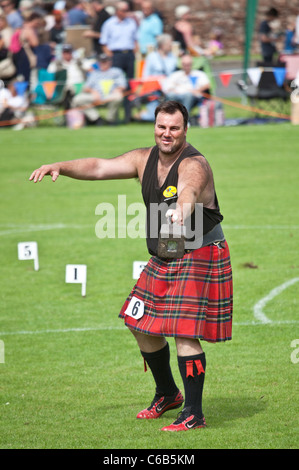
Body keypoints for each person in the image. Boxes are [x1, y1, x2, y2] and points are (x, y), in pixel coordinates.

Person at [29, 100, 233, 432]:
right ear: (154, 126)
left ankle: (194, 413)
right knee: (137, 319)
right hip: (168, 250)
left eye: (174, 128)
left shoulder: (194, 164)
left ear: (186, 129)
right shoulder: (143, 159)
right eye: (161, 127)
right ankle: (168, 393)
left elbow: (189, 190)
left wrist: (182, 210)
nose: (166, 134)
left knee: (183, 331)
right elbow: (98, 167)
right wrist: (61, 166)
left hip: (199, 251)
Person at [99, 1, 138, 121]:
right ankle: (114, 116)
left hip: (129, 54)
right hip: (116, 55)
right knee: (117, 85)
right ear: (118, 11)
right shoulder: (109, 24)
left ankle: (128, 115)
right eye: (124, 10)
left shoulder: (131, 23)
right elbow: (104, 43)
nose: (126, 13)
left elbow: (136, 41)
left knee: (129, 85)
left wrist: (135, 53)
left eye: (127, 10)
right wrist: (111, 57)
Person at [71, 52, 126, 125]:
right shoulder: (94, 73)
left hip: (111, 96)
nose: (103, 63)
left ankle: (110, 120)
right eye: (101, 62)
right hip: (96, 96)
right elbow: (86, 88)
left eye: (105, 61)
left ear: (110, 62)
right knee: (77, 99)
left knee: (118, 96)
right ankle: (96, 118)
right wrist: (93, 92)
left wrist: (117, 89)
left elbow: (123, 85)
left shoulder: (116, 71)